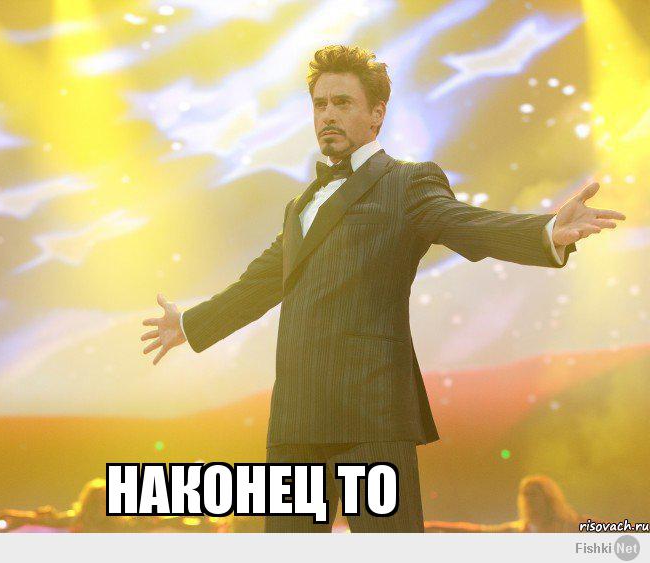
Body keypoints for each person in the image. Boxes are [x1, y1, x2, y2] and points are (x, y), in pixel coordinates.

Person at [140, 45, 625, 532]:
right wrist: (190, 324)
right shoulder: (300, 205)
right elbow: (260, 282)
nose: (327, 114)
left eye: (342, 102)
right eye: (320, 104)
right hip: (296, 418)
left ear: (377, 113)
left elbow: (464, 223)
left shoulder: (407, 183)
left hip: (370, 415)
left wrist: (545, 231)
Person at [425, 475, 584, 532]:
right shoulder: (520, 530)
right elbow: (476, 531)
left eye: (533, 494)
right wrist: (431, 525)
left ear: (548, 498)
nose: (527, 499)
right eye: (524, 494)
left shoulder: (572, 525)